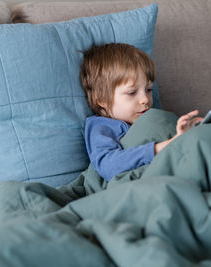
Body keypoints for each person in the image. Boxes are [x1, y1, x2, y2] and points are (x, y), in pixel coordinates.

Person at [80, 43, 202, 181]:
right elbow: (108, 166)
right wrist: (160, 148)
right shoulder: (101, 126)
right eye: (132, 92)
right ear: (102, 99)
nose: (145, 99)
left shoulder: (149, 118)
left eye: (148, 90)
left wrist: (189, 131)